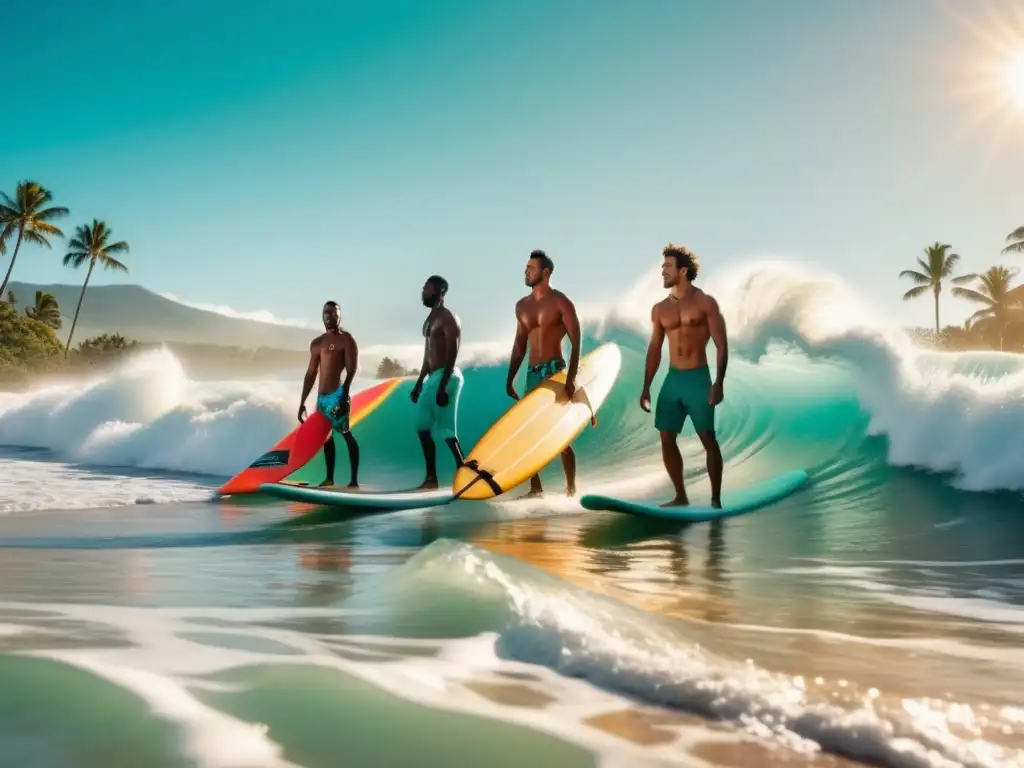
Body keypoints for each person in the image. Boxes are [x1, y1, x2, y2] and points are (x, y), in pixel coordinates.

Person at [641, 243, 728, 507]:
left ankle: (715, 500)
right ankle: (680, 496)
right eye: (662, 267)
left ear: (683, 271)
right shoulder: (659, 309)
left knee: (707, 439)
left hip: (698, 379)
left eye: (668, 267)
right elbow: (655, 348)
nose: (663, 272)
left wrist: (718, 383)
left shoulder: (704, 303)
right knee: (666, 438)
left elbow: (721, 344)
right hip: (673, 379)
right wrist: (646, 387)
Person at [506, 249, 582, 497]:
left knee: (559, 434)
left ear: (546, 272)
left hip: (554, 370)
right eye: (526, 267)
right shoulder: (522, 306)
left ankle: (571, 488)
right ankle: (535, 487)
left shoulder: (561, 302)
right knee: (526, 432)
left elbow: (576, 339)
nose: (526, 272)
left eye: (531, 268)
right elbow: (520, 344)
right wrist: (510, 377)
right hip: (532, 373)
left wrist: (570, 377)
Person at [410, 275, 467, 489]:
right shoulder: (430, 320)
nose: (423, 290)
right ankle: (437, 477)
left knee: (440, 428)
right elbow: (428, 355)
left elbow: (453, 352)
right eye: (424, 286)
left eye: (428, 288)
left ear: (440, 292)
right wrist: (419, 383)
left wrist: (443, 385)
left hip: (447, 375)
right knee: (428, 426)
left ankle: (438, 477)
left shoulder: (448, 318)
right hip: (434, 377)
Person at [298, 300, 360, 488]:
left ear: (339, 316)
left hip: (337, 395)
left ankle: (354, 480)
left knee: (346, 433)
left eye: (333, 313)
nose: (329, 316)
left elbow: (351, 370)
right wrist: (302, 402)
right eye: (326, 313)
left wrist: (344, 397)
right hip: (321, 398)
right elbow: (310, 374)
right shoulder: (317, 343)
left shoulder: (346, 340)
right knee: (327, 438)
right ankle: (329, 478)